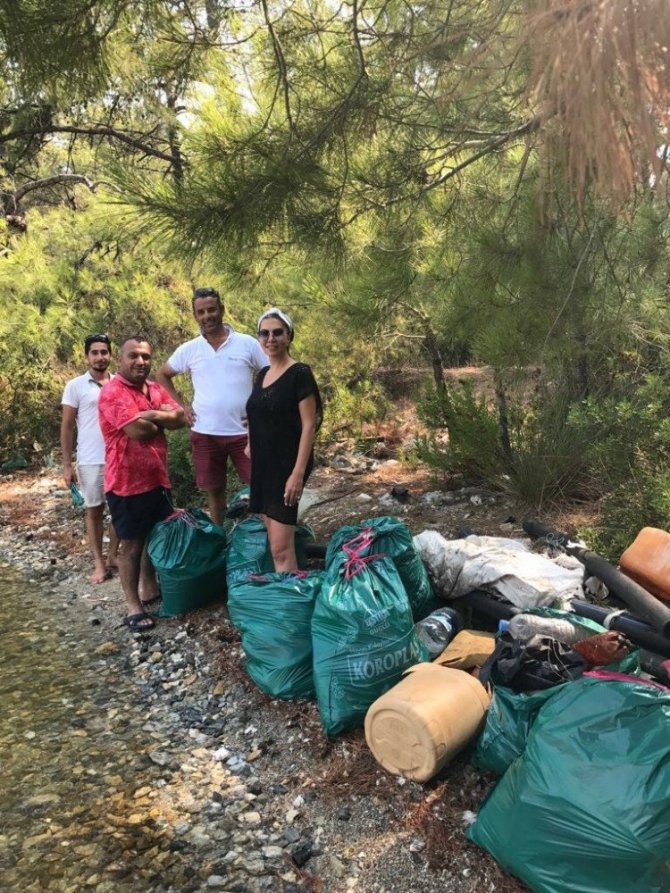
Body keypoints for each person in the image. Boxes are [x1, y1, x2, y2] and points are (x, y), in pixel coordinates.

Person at [156, 287, 267, 526]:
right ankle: (221, 541)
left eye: (212, 309)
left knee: (260, 486)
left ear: (222, 310)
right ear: (195, 315)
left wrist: (261, 408)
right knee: (214, 491)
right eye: (201, 312)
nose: (208, 316)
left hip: (244, 433)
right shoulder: (190, 349)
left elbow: (273, 373)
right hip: (205, 432)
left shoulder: (247, 344)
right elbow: (163, 374)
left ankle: (264, 540)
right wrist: (182, 406)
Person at [98, 336, 185, 631]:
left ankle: (150, 589)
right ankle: (132, 606)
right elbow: (139, 430)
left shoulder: (155, 388)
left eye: (146, 357)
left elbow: (180, 418)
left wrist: (154, 415)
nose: (140, 362)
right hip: (125, 482)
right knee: (132, 544)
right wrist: (161, 418)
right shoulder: (113, 392)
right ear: (120, 360)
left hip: (157, 477)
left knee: (153, 537)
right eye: (133, 356)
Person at [246, 308, 322, 571]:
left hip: (287, 466)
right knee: (275, 540)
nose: (271, 338)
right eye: (264, 333)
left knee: (280, 548)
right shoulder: (262, 374)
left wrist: (297, 474)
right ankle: (290, 594)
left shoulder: (299, 373)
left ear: (289, 336)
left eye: (278, 332)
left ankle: (290, 603)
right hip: (264, 466)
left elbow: (309, 424)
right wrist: (249, 443)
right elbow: (256, 412)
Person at [61, 333, 119, 584]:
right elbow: (66, 427)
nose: (99, 357)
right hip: (90, 459)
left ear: (110, 354)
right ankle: (98, 563)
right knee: (94, 511)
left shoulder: (119, 383)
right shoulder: (75, 386)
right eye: (94, 352)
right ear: (87, 356)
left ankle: (113, 556)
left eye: (104, 352)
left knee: (119, 511)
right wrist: (66, 464)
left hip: (119, 457)